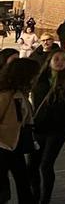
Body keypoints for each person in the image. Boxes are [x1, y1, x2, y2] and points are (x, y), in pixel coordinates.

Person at [30, 49, 65, 204]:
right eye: (57, 59)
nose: (60, 62)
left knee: (46, 164)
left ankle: (45, 199)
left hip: (58, 129)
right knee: (32, 165)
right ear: (49, 61)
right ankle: (34, 195)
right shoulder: (39, 80)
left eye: (63, 60)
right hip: (39, 127)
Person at [0, 59, 38, 202]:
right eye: (33, 75)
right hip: (3, 146)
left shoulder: (20, 93)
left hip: (15, 145)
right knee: (5, 188)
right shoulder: (5, 95)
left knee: (23, 182)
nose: (35, 78)